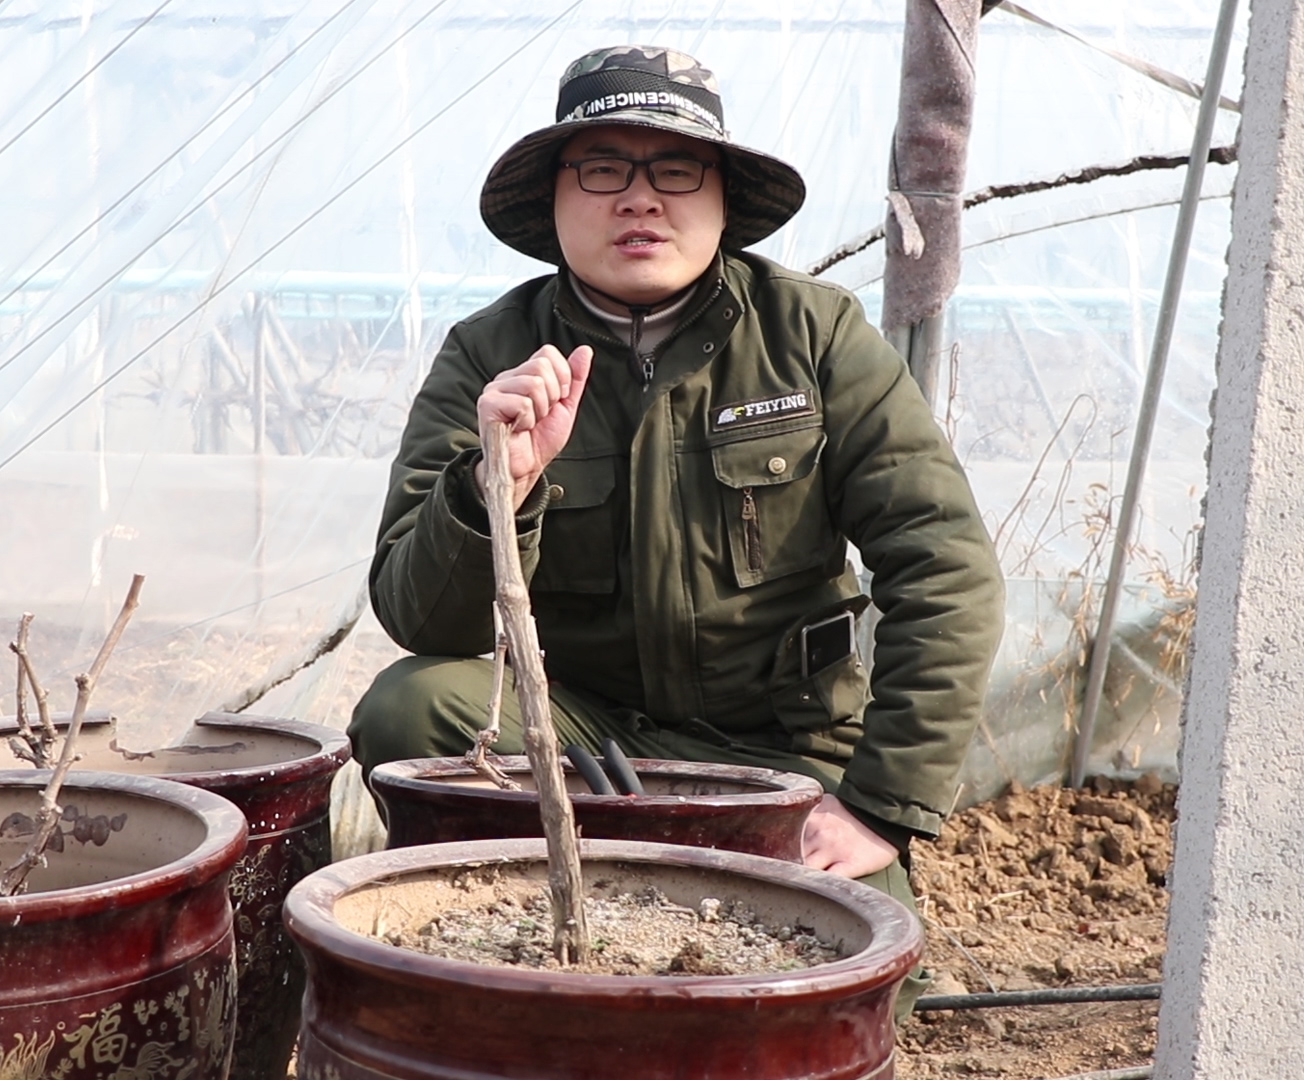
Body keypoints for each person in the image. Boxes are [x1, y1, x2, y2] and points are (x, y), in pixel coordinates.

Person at [349, 45, 1004, 1014]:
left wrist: (874, 807)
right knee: (411, 710)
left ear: (724, 199)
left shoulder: (812, 338)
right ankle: (491, 936)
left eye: (675, 169)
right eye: (603, 168)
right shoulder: (492, 356)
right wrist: (500, 484)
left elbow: (947, 572)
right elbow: (422, 619)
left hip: (778, 756)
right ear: (556, 201)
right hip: (578, 740)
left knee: (843, 1000)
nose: (639, 200)